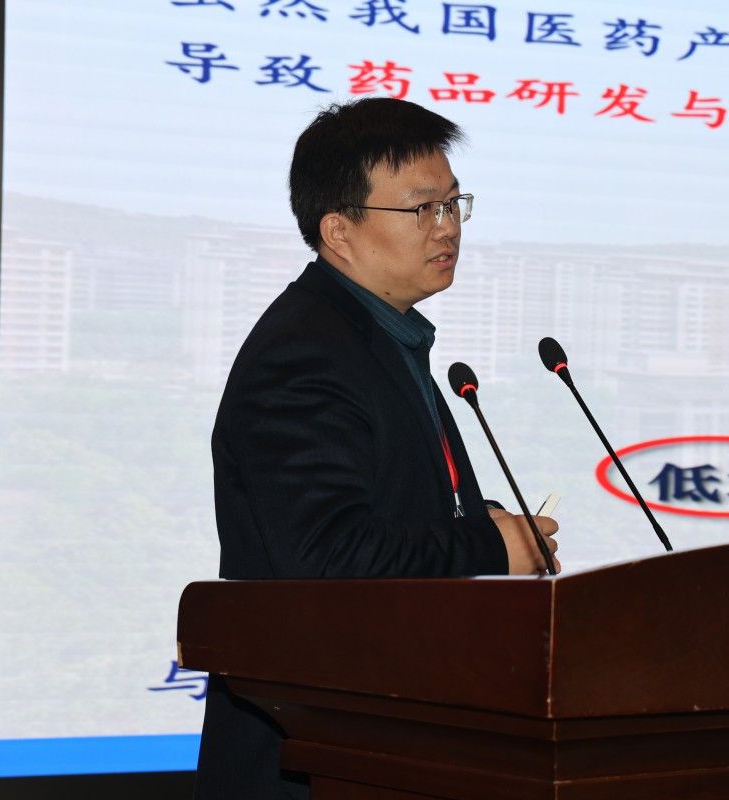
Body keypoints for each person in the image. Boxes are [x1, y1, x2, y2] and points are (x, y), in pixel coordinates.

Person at [193, 97, 560, 799]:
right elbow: (325, 554)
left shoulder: (380, 336)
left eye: (453, 204)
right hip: (315, 755)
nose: (447, 227)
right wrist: (486, 548)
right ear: (339, 230)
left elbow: (382, 507)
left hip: (381, 739)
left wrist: (476, 520)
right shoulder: (305, 353)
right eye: (421, 209)